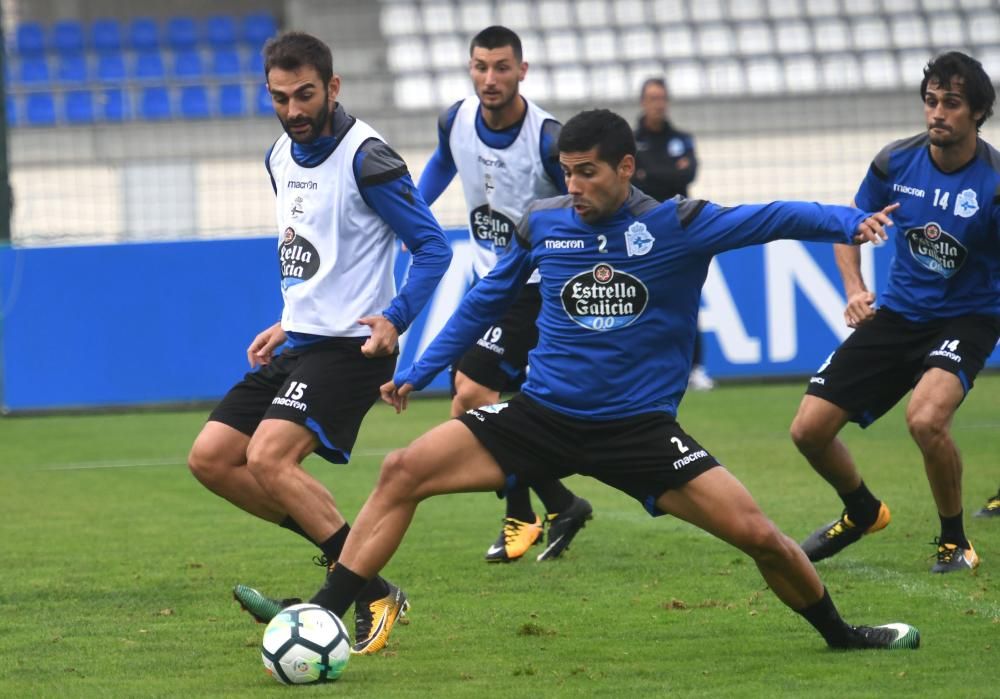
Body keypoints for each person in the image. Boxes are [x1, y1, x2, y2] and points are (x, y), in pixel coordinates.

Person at [303, 108, 920, 653]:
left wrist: (848, 222)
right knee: (401, 471)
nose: (572, 186)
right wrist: (417, 371)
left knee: (759, 536)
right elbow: (485, 299)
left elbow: (774, 217)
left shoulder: (682, 224)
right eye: (567, 171)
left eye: (587, 173)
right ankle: (325, 613)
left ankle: (841, 636)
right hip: (540, 417)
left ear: (626, 168)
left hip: (638, 432)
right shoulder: (544, 224)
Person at [186, 31, 452, 654]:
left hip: (353, 349)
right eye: (279, 97)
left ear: (332, 87)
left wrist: (397, 315)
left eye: (305, 95)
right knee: (212, 458)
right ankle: (367, 580)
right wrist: (290, 319)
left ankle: (363, 590)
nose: (294, 110)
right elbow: (318, 255)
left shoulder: (369, 159)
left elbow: (433, 248)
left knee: (269, 457)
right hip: (303, 341)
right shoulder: (278, 155)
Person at [790, 52, 1000, 574]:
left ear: (977, 113)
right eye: (931, 101)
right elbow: (849, 227)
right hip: (899, 315)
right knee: (807, 430)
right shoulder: (894, 162)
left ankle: (954, 542)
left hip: (968, 318)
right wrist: (855, 289)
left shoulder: (994, 182)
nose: (937, 113)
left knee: (926, 420)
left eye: (951, 103)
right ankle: (862, 510)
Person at [417, 25, 593, 563]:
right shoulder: (455, 120)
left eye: (500, 67)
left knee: (471, 394)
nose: (489, 78)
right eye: (480, 66)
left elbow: (581, 203)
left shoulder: (546, 138)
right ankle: (558, 505)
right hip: (486, 280)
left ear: (522, 71)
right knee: (482, 404)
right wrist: (411, 218)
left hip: (536, 286)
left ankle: (526, 513)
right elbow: (443, 163)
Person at [633, 77, 713, 391]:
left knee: (686, 297)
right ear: (643, 101)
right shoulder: (630, 139)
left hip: (680, 228)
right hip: (642, 228)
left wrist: (649, 173)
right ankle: (644, 370)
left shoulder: (682, 139)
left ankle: (695, 368)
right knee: (639, 298)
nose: (658, 103)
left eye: (662, 97)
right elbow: (646, 180)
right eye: (652, 98)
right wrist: (667, 173)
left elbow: (687, 173)